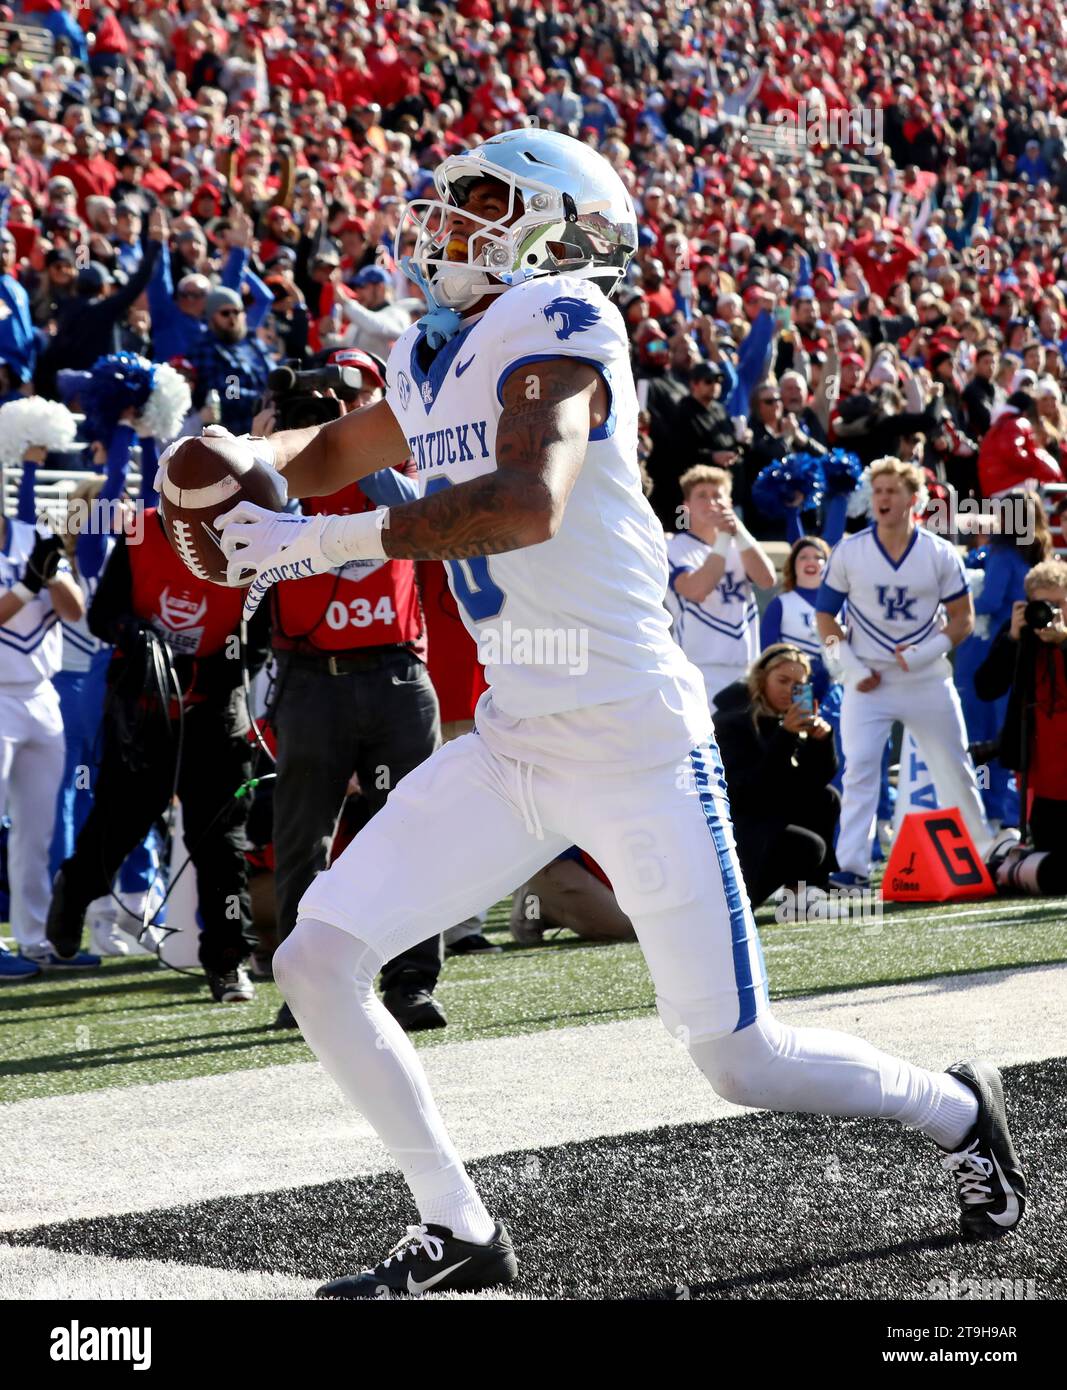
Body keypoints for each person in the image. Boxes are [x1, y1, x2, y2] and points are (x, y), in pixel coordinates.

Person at [190, 132, 1023, 1298]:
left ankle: (953, 1108)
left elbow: (528, 501)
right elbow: (335, 446)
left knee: (738, 1057)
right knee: (319, 958)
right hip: (515, 740)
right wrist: (242, 452)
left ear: (559, 230)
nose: (447, 222)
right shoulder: (443, 349)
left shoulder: (562, 322)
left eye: (484, 203)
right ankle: (458, 1228)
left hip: (634, 741)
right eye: (451, 199)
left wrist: (316, 539)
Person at [815, 457, 994, 887]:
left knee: (954, 764)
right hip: (868, 681)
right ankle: (853, 866)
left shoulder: (939, 552)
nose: (882, 499)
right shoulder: (850, 550)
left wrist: (922, 653)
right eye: (877, 491)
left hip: (927, 678)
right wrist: (850, 669)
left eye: (892, 491)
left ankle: (984, 855)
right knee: (858, 768)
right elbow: (824, 618)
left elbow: (962, 618)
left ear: (913, 499)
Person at [0, 496, 89, 978]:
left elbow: (75, 613)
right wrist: (28, 581)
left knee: (36, 832)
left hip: (40, 693)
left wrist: (52, 573)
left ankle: (34, 938)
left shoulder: (33, 537)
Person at [714, 644, 839, 906]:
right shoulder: (731, 721)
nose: (788, 691)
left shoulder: (784, 720)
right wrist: (785, 737)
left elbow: (814, 781)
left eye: (797, 685)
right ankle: (780, 892)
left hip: (765, 815)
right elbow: (747, 791)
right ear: (761, 678)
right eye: (782, 681)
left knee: (825, 798)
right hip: (739, 828)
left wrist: (821, 742)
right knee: (808, 846)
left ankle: (803, 895)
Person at [974, 557, 1067, 887]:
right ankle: (1010, 860)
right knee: (1054, 858)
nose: (1050, 613)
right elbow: (985, 687)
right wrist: (1011, 639)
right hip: (1044, 778)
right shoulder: (1021, 632)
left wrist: (1063, 642)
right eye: (1042, 604)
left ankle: (1010, 859)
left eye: (1058, 604)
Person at [665, 464, 776, 708]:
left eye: (717, 495)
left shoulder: (742, 546)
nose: (711, 502)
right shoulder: (674, 547)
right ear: (686, 506)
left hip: (746, 667)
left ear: (730, 502)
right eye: (702, 496)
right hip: (698, 666)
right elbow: (696, 589)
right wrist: (725, 537)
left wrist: (737, 530)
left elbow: (767, 580)